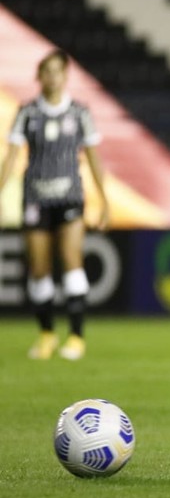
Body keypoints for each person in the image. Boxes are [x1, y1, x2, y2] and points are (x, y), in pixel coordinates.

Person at [0, 49, 109, 360]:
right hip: (36, 197)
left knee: (72, 260)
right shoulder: (27, 113)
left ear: (65, 75)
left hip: (70, 197)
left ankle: (76, 337)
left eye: (57, 71)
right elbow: (11, 157)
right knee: (39, 270)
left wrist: (104, 199)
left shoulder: (80, 113)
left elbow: (94, 157)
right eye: (47, 71)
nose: (52, 77)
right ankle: (47, 334)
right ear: (39, 76)